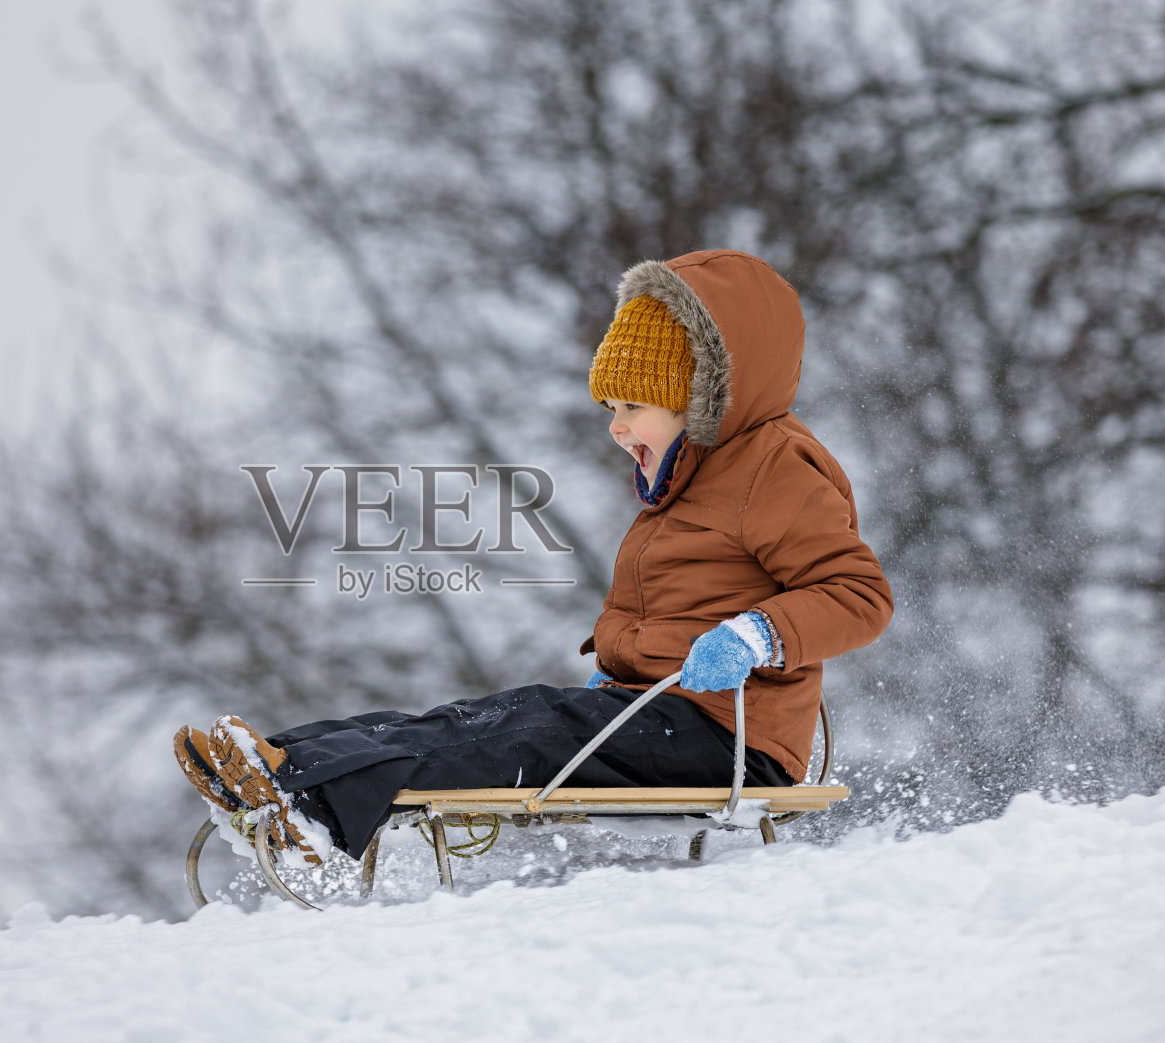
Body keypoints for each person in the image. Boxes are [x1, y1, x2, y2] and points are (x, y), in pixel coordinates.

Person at [174, 249, 894, 867]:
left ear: (696, 398)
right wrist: (620, 670)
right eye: (610, 408)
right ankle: (284, 762)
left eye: (633, 406)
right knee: (488, 716)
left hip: (728, 737)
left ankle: (310, 801)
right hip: (664, 715)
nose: (616, 429)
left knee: (529, 730)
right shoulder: (692, 483)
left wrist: (755, 636)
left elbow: (860, 594)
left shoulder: (775, 467)